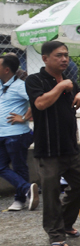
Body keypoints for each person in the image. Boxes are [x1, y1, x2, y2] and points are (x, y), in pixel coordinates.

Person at [25, 41, 80, 246]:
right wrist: (61, 86)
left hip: (70, 147)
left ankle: (66, 222)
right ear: (45, 58)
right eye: (58, 55)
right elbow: (40, 104)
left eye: (66, 55)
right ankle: (55, 235)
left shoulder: (70, 81)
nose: (64, 59)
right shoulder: (35, 80)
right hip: (48, 148)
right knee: (51, 192)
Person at [0, 54, 37, 211]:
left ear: (6, 70)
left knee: (19, 167)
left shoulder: (20, 86)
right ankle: (27, 189)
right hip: (2, 134)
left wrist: (24, 117)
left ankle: (20, 200)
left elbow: (36, 101)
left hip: (16, 134)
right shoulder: (1, 85)